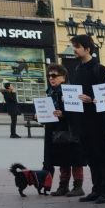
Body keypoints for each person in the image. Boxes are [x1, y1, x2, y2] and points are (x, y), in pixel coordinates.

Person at [68, 34, 105, 204]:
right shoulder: (78, 69)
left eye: (77, 46)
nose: (74, 50)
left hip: (98, 121)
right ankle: (96, 189)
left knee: (103, 155)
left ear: (87, 49)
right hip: (83, 121)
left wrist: (91, 99)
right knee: (91, 156)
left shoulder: (99, 69)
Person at [44, 65, 86, 197]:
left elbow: (77, 112)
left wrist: (63, 114)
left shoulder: (70, 90)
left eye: (54, 76)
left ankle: (78, 187)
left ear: (63, 77)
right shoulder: (50, 92)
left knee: (75, 160)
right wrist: (40, 115)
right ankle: (63, 186)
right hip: (57, 131)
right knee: (62, 159)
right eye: (49, 76)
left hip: (72, 130)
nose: (51, 78)